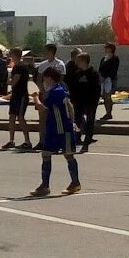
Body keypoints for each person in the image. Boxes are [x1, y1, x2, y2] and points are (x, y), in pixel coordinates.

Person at [29, 67, 82, 197]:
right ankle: (70, 183)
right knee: (64, 154)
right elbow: (70, 107)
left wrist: (35, 98)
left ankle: (48, 185)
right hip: (63, 127)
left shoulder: (55, 93)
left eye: (44, 79)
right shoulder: (61, 90)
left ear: (50, 78)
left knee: (51, 154)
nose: (43, 81)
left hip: (59, 129)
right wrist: (73, 121)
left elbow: (43, 109)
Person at [69, 54, 101, 153]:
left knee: (89, 122)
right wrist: (72, 99)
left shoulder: (93, 74)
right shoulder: (77, 74)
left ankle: (87, 142)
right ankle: (76, 139)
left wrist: (95, 100)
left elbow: (97, 89)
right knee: (77, 121)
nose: (76, 62)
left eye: (78, 60)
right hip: (78, 102)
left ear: (84, 61)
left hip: (90, 102)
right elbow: (73, 88)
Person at [2, 48, 34, 150]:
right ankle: (11, 141)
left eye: (11, 55)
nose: (10, 57)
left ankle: (27, 141)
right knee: (12, 117)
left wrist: (7, 80)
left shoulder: (20, 67)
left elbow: (14, 82)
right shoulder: (16, 66)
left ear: (15, 55)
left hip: (21, 95)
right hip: (15, 94)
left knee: (20, 117)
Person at [98, 43, 120, 121]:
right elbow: (100, 69)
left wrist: (107, 75)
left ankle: (109, 113)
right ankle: (107, 112)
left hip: (110, 80)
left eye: (107, 48)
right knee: (105, 97)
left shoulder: (115, 58)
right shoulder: (103, 58)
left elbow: (114, 69)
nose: (105, 49)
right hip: (103, 80)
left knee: (108, 96)